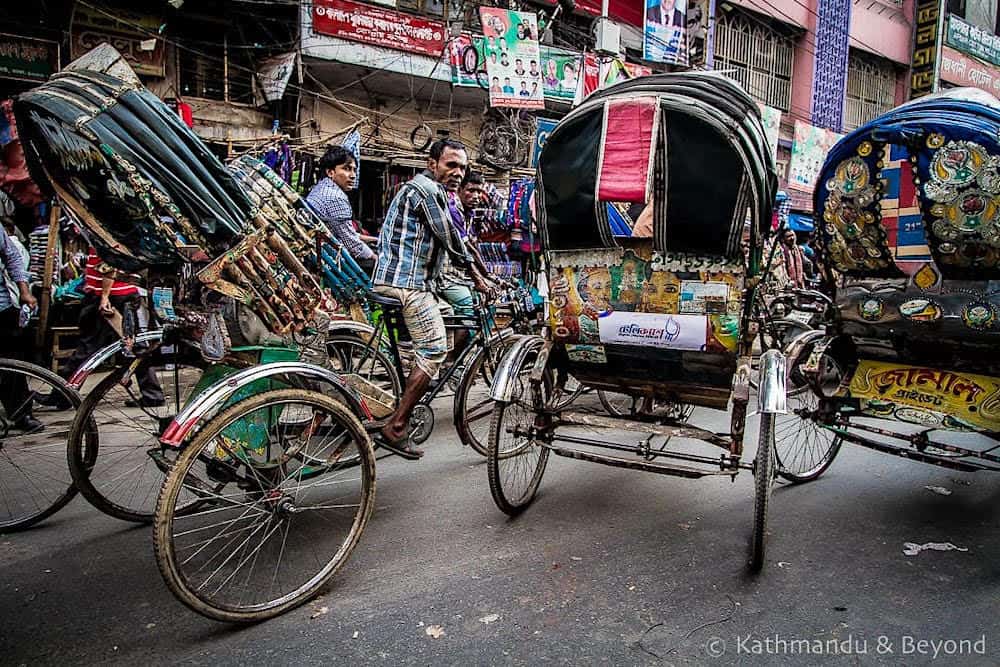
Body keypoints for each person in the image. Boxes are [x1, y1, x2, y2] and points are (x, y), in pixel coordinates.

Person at [372, 139, 490, 459]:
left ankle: (419, 373)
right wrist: (479, 279)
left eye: (462, 168)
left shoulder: (430, 192)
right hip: (406, 284)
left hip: (411, 282)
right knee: (435, 349)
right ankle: (396, 426)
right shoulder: (427, 190)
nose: (457, 173)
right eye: (451, 165)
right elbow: (451, 239)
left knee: (450, 314)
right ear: (432, 163)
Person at [42, 248, 165, 409]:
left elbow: (109, 264)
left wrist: (104, 296)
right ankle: (152, 394)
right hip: (119, 294)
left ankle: (62, 395)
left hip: (111, 297)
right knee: (134, 346)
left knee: (88, 349)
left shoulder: (105, 230)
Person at [306, 145, 376, 273]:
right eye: (347, 169)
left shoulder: (321, 188)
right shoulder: (335, 197)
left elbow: (345, 231)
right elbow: (351, 242)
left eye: (354, 170)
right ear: (330, 172)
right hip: (328, 258)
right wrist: (374, 257)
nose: (353, 175)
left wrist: (375, 239)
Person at [0, 222, 40, 432]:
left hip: (2, 306)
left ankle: (22, 414)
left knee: (13, 365)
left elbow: (12, 256)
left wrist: (24, 290)